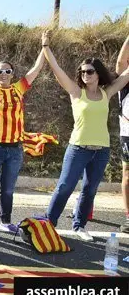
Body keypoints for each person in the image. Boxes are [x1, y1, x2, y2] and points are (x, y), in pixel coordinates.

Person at [43, 30, 129, 241]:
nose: (85, 75)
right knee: (65, 186)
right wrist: (46, 47)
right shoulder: (75, 92)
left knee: (90, 190)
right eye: (82, 72)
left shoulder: (106, 93)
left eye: (90, 71)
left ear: (98, 73)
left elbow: (126, 73)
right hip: (78, 148)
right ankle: (48, 225)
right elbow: (57, 70)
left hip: (101, 150)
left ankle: (79, 226)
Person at [0, 25, 45, 233]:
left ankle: (5, 221)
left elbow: (37, 69)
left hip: (14, 148)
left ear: (12, 74)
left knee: (8, 188)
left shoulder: (19, 88)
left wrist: (44, 45)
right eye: (0, 71)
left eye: (7, 71)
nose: (3, 74)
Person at [113, 30, 129, 233]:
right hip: (128, 134)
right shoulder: (124, 82)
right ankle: (128, 216)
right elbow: (120, 63)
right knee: (127, 174)